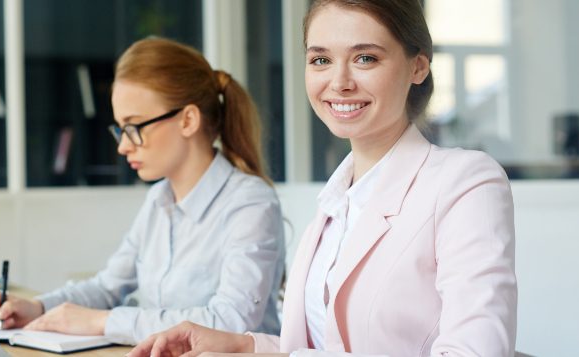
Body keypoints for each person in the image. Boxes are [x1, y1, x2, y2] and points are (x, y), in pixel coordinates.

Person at [128, 0, 517, 356]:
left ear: (418, 66)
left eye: (365, 58)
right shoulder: (335, 202)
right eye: (320, 60)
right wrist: (244, 345)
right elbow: (323, 344)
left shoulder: (465, 183)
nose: (339, 82)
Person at [0, 37, 285, 345]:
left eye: (134, 127)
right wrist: (37, 307)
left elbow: (229, 322)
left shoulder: (250, 203)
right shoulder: (158, 199)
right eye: (119, 129)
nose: (123, 146)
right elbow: (108, 286)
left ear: (188, 120)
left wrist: (103, 322)